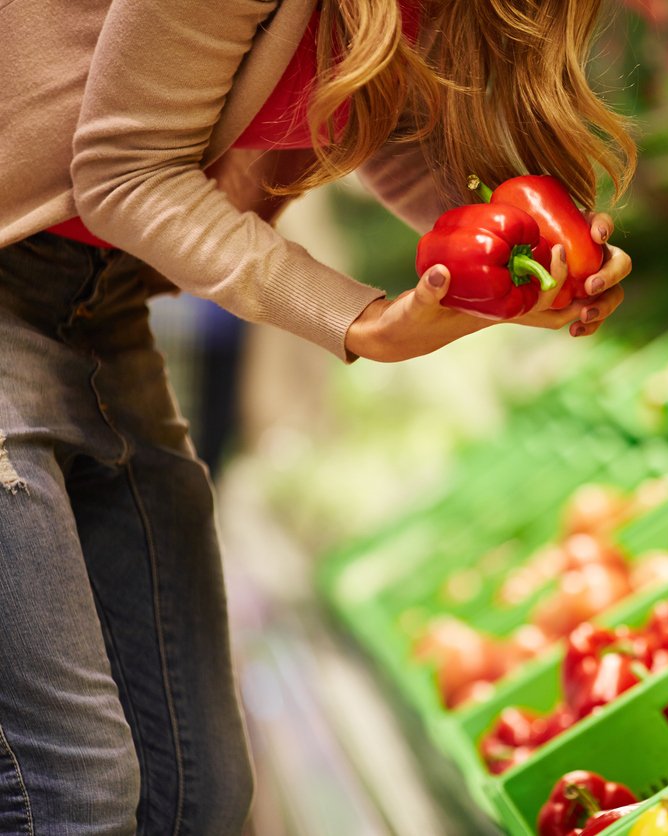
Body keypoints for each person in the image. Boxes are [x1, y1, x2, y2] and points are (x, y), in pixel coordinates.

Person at [0, 0, 635, 831]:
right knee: (71, 792)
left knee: (201, 792)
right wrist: (360, 320)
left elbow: (388, 124)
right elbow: (125, 175)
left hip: (105, 305)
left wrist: (530, 269)